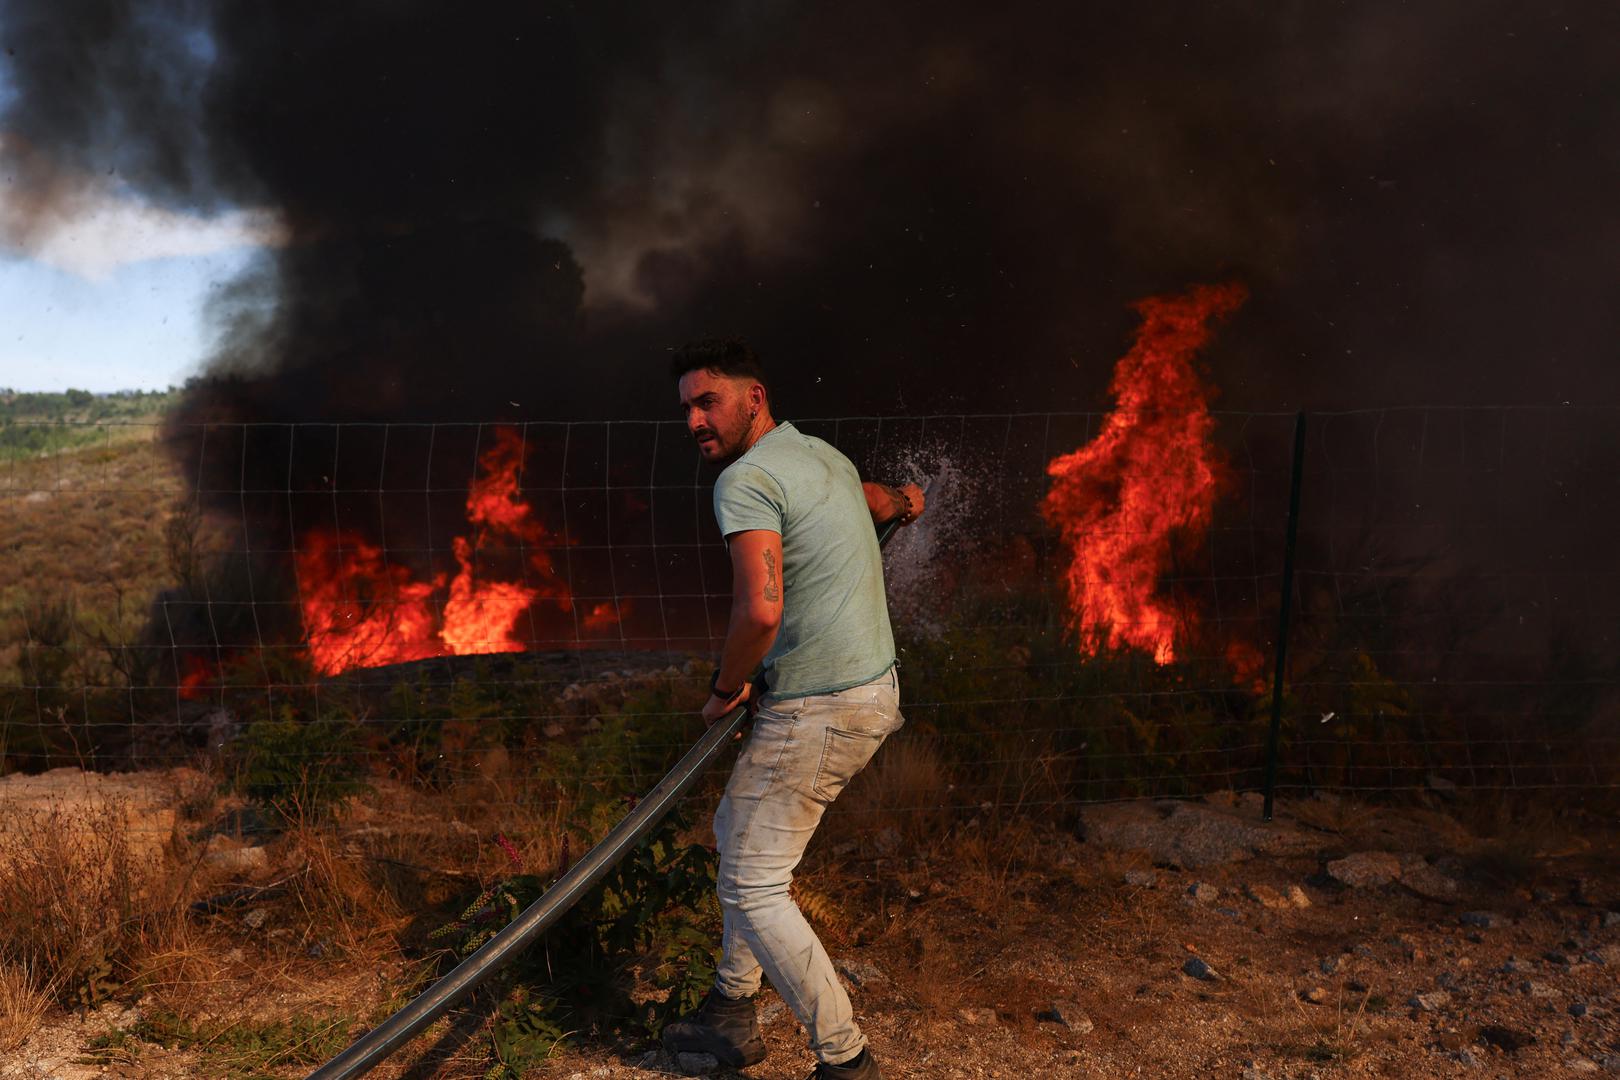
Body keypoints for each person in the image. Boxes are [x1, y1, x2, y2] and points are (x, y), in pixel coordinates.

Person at [661, 338, 924, 1080]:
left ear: (755, 396)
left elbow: (760, 611)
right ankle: (730, 1009)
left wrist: (724, 688)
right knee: (738, 831)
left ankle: (846, 1060)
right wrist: (906, 501)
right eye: (685, 407)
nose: (693, 421)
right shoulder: (821, 456)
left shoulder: (744, 481)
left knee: (752, 881)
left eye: (707, 401)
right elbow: (871, 498)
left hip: (821, 707)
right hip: (870, 690)